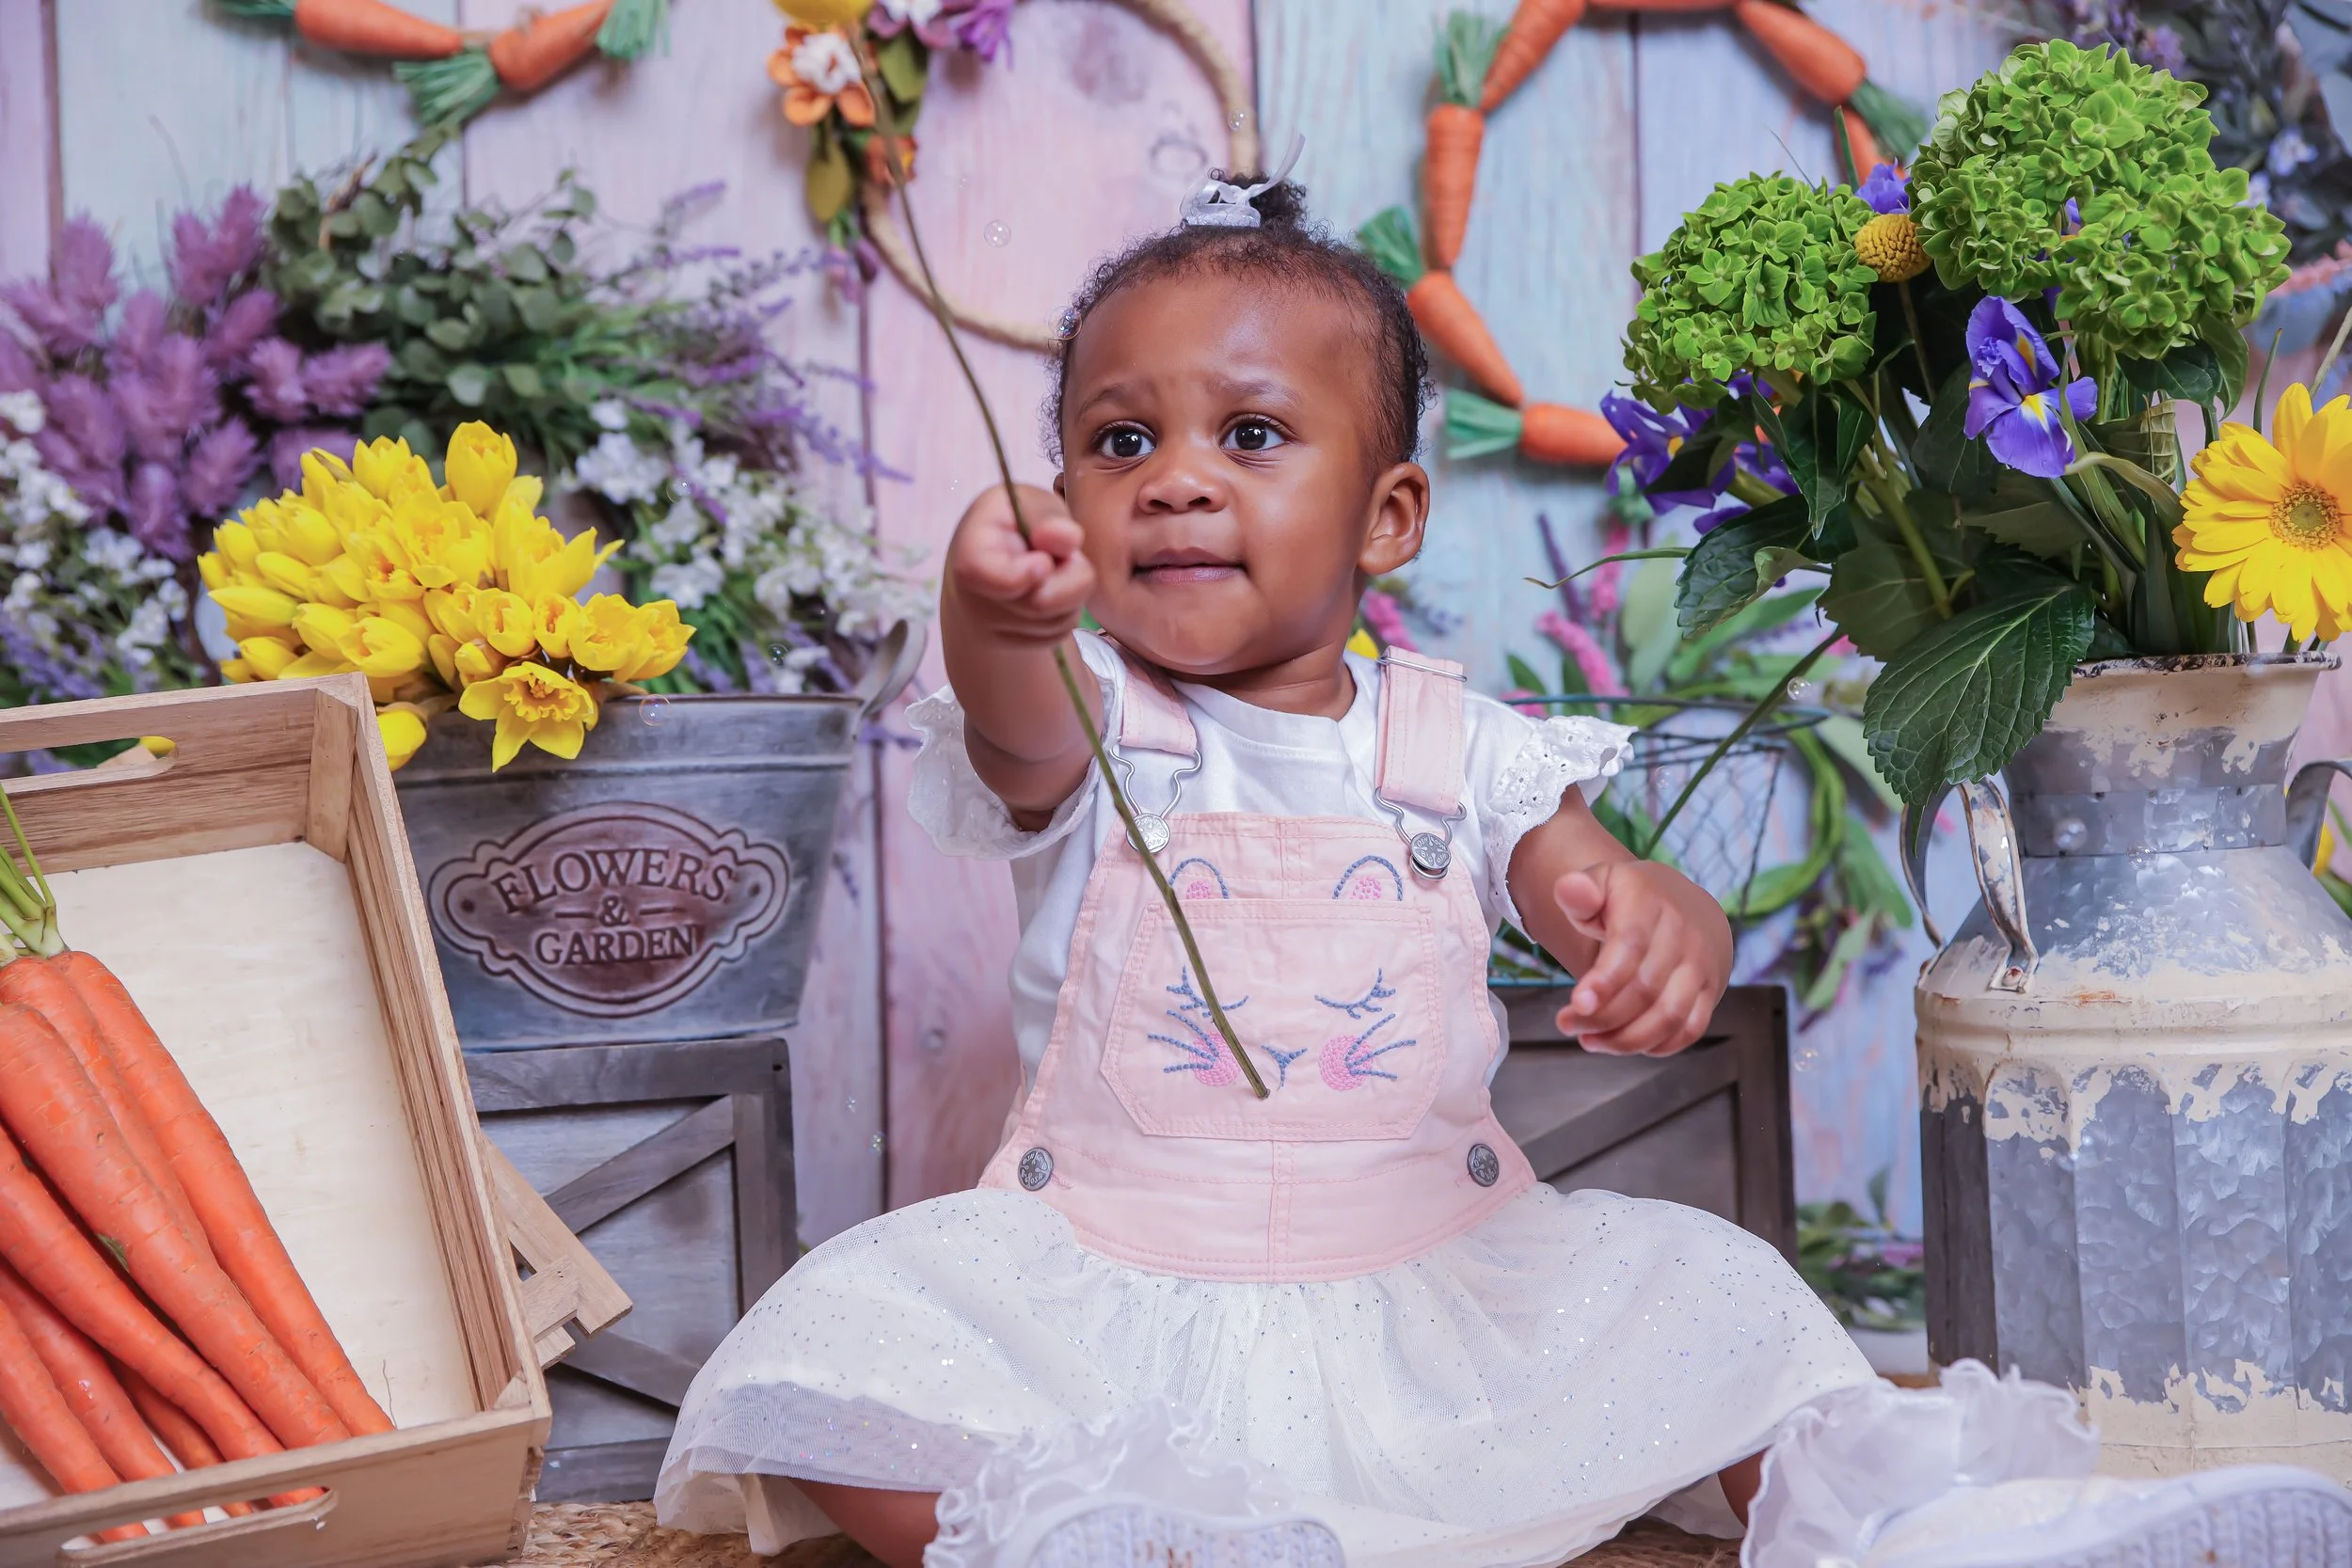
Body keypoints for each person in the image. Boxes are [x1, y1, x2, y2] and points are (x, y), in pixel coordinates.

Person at [653, 173, 2352, 1568]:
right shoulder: (1091, 712)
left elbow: (1582, 884)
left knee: (1724, 1305)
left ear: (1390, 515)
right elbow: (1015, 734)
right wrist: (994, 613)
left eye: (1251, 436)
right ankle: (1094, 1540)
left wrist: (1657, 924)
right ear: (1067, 507)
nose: (1172, 476)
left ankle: (1924, 1523)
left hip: (1435, 1298)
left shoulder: (1462, 743)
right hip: (1111, 1291)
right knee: (837, 1356)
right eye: (1117, 443)